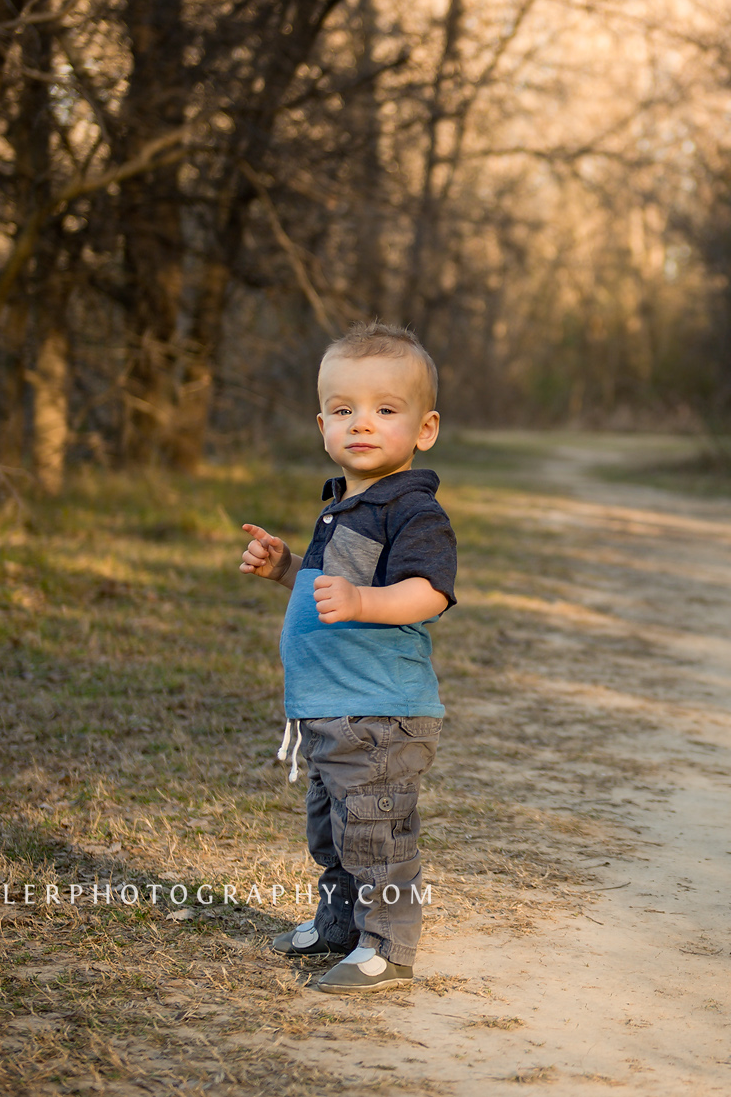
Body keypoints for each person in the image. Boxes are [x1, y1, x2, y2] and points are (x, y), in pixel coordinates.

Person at [236, 322, 456, 995]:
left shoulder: (413, 509)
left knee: (377, 839)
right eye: (343, 410)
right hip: (333, 711)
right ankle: (339, 926)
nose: (362, 424)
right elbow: (327, 582)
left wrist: (363, 602)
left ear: (424, 429)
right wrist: (286, 571)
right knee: (334, 835)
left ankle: (389, 948)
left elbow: (428, 593)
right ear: (322, 424)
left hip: (380, 713)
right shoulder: (343, 504)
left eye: (385, 410)